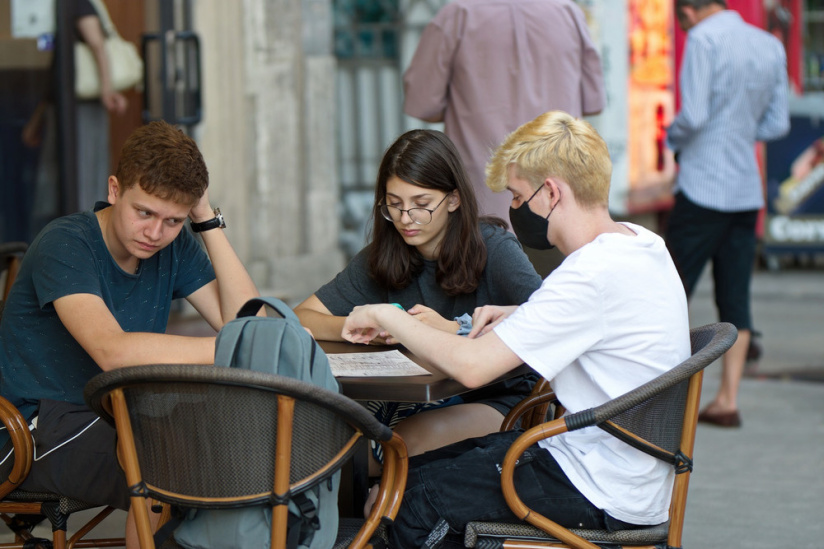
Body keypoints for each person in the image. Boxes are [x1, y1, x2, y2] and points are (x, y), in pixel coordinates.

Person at [340, 111, 690, 548]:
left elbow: (471, 369)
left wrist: (387, 316)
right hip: (615, 471)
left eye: (518, 195)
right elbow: (593, 320)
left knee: (408, 505)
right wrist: (524, 317)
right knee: (409, 473)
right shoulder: (640, 243)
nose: (515, 208)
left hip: (597, 489)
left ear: (551, 192)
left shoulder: (589, 274)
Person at [0, 120, 260, 548]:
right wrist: (236, 347)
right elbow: (112, 352)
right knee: (170, 455)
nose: (155, 233)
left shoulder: (174, 243)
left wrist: (206, 221)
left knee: (224, 443)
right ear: (115, 189)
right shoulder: (66, 242)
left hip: (114, 414)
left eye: (173, 220)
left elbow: (248, 321)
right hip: (30, 428)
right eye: (145, 213)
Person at [294, 129, 542, 472]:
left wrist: (456, 329)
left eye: (422, 205)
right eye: (394, 205)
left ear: (453, 199)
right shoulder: (381, 256)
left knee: (400, 442)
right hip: (412, 398)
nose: (406, 219)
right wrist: (365, 327)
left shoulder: (494, 248)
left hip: (500, 399)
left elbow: (548, 318)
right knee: (330, 434)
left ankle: (384, 516)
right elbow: (302, 316)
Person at [665, 0, 790, 428]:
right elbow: (776, 125)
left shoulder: (702, 39)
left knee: (667, 291)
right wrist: (737, 130)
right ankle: (727, 399)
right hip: (744, 189)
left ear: (687, 11)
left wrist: (671, 136)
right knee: (736, 296)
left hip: (702, 185)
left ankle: (657, 397)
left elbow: (693, 116)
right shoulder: (768, 44)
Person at [402, 0, 606, 226]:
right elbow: (593, 102)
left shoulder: (456, 16)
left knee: (484, 258)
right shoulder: (569, 14)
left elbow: (423, 105)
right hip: (559, 202)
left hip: (483, 204)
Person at [22, 0, 130, 235]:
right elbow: (54, 79)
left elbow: (97, 44)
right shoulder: (59, 7)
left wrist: (106, 90)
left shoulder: (77, 3)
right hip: (62, 108)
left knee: (82, 174)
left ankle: (85, 237)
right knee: (62, 178)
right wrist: (37, 120)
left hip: (81, 107)